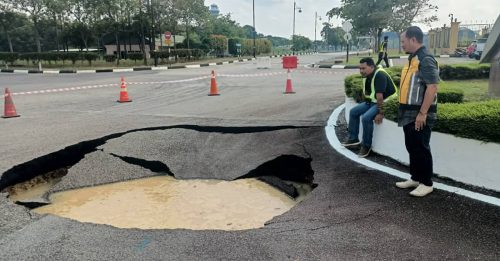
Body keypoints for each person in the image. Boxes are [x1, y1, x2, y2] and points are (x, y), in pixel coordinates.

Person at [395, 26, 439, 197]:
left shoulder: (425, 58)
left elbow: (432, 87)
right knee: (412, 147)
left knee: (421, 147)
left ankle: (426, 183)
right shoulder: (412, 58)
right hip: (407, 112)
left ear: (413, 40)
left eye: (403, 41)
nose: (402, 45)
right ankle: (415, 178)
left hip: (419, 113)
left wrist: (423, 114)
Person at [342, 57, 397, 157]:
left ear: (371, 67)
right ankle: (353, 138)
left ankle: (366, 146)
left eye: (363, 68)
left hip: (384, 102)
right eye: (360, 68)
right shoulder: (367, 75)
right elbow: (369, 92)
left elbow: (380, 97)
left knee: (366, 118)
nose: (361, 71)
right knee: (353, 112)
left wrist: (380, 113)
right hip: (373, 101)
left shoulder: (380, 75)